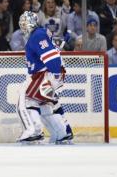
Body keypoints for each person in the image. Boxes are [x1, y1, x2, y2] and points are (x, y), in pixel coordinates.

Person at [16, 11, 73, 144]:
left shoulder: (37, 35)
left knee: (26, 100)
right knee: (45, 105)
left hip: (46, 74)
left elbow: (51, 57)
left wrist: (54, 75)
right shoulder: (40, 33)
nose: (23, 26)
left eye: (25, 23)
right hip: (47, 74)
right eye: (21, 24)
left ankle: (33, 132)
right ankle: (62, 133)